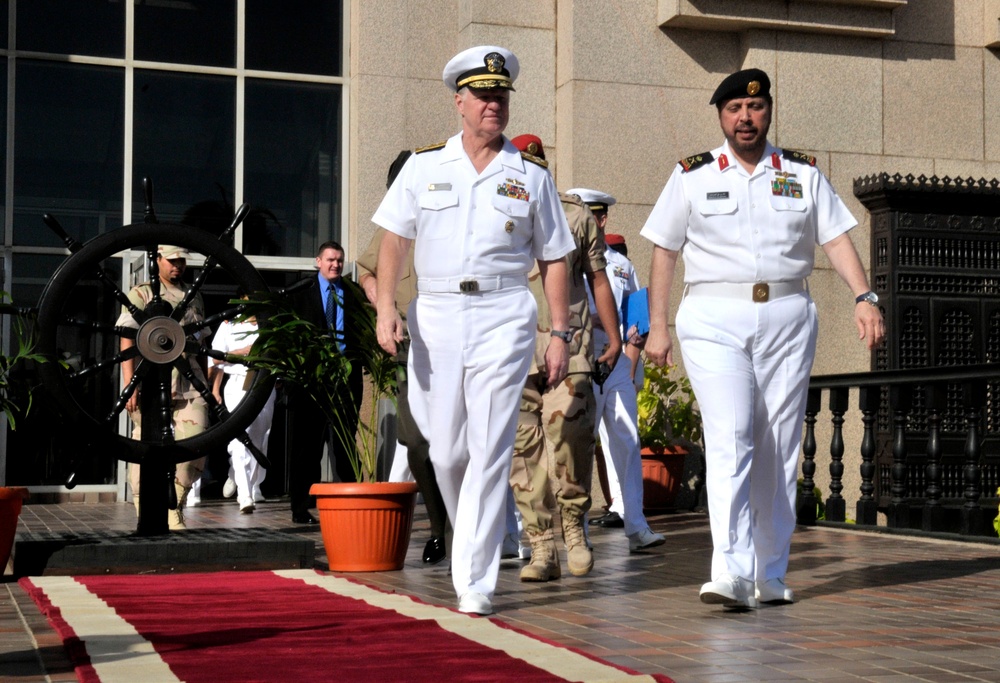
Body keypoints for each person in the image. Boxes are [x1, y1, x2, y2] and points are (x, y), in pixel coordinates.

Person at [640, 68, 885, 609]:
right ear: (721, 116)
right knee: (730, 435)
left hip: (787, 313)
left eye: (753, 109)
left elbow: (836, 239)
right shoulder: (691, 175)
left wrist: (864, 295)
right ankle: (728, 571)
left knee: (778, 444)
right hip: (712, 314)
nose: (744, 118)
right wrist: (659, 326)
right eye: (733, 110)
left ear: (768, 111)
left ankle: (769, 573)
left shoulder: (801, 172)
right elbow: (664, 251)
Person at [372, 45, 575, 616]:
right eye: (484, 95)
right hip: (435, 313)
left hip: (503, 312)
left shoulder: (530, 174)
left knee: (489, 447)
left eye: (501, 95)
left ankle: (476, 578)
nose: (494, 104)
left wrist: (558, 331)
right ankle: (475, 539)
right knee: (447, 452)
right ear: (459, 101)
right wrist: (387, 306)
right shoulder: (423, 165)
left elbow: (556, 256)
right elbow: (393, 240)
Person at [506, 136, 623, 583]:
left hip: (569, 345)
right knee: (525, 450)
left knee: (571, 434)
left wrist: (609, 335)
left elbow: (598, 279)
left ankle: (574, 525)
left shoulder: (575, 215)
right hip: (516, 349)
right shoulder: (496, 211)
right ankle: (541, 545)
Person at [357, 150, 450, 566]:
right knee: (415, 440)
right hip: (413, 344)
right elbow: (366, 271)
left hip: (457, 340)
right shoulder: (393, 229)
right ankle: (438, 529)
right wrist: (386, 308)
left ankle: (475, 528)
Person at [569, 210, 665, 552]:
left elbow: (636, 308)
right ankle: (577, 529)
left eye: (593, 216)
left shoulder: (621, 265)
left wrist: (632, 353)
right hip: (583, 357)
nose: (586, 221)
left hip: (620, 360)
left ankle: (636, 524)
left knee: (627, 439)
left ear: (604, 219)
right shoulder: (567, 252)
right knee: (581, 443)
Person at [117, 245, 209, 531]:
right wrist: (130, 384)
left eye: (181, 260)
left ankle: (175, 505)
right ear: (157, 260)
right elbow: (127, 340)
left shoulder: (194, 296)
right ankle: (147, 510)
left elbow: (202, 343)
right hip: (150, 384)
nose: (177, 266)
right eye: (172, 260)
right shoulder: (140, 294)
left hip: (190, 383)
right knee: (146, 448)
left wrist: (206, 384)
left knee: (196, 445)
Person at [284, 240, 365, 524]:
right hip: (311, 381)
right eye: (330, 260)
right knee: (307, 446)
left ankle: (353, 500)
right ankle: (301, 507)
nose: (336, 265)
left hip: (345, 379)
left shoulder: (353, 293)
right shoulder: (301, 292)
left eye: (340, 260)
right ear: (318, 261)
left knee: (344, 443)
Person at [209, 300, 275, 514]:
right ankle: (244, 494)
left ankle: (247, 481)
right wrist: (216, 389)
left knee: (260, 436)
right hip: (237, 384)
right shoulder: (229, 325)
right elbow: (215, 359)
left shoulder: (270, 327)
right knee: (239, 437)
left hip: (263, 384)